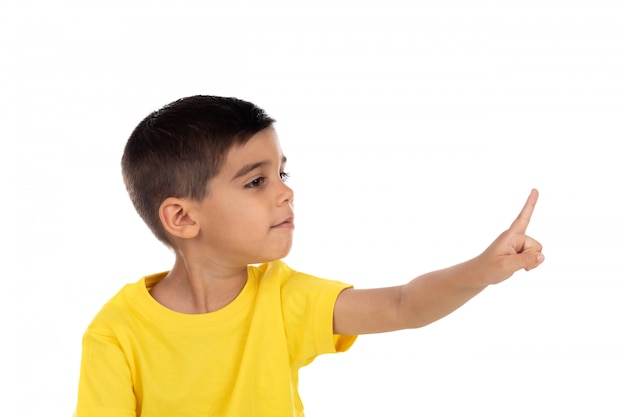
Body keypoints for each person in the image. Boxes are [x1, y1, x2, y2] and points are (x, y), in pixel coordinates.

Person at [74, 95, 544, 417]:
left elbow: (403, 305)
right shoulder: (115, 333)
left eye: (283, 172)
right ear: (181, 218)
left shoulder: (282, 297)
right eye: (257, 181)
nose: (286, 192)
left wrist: (482, 270)